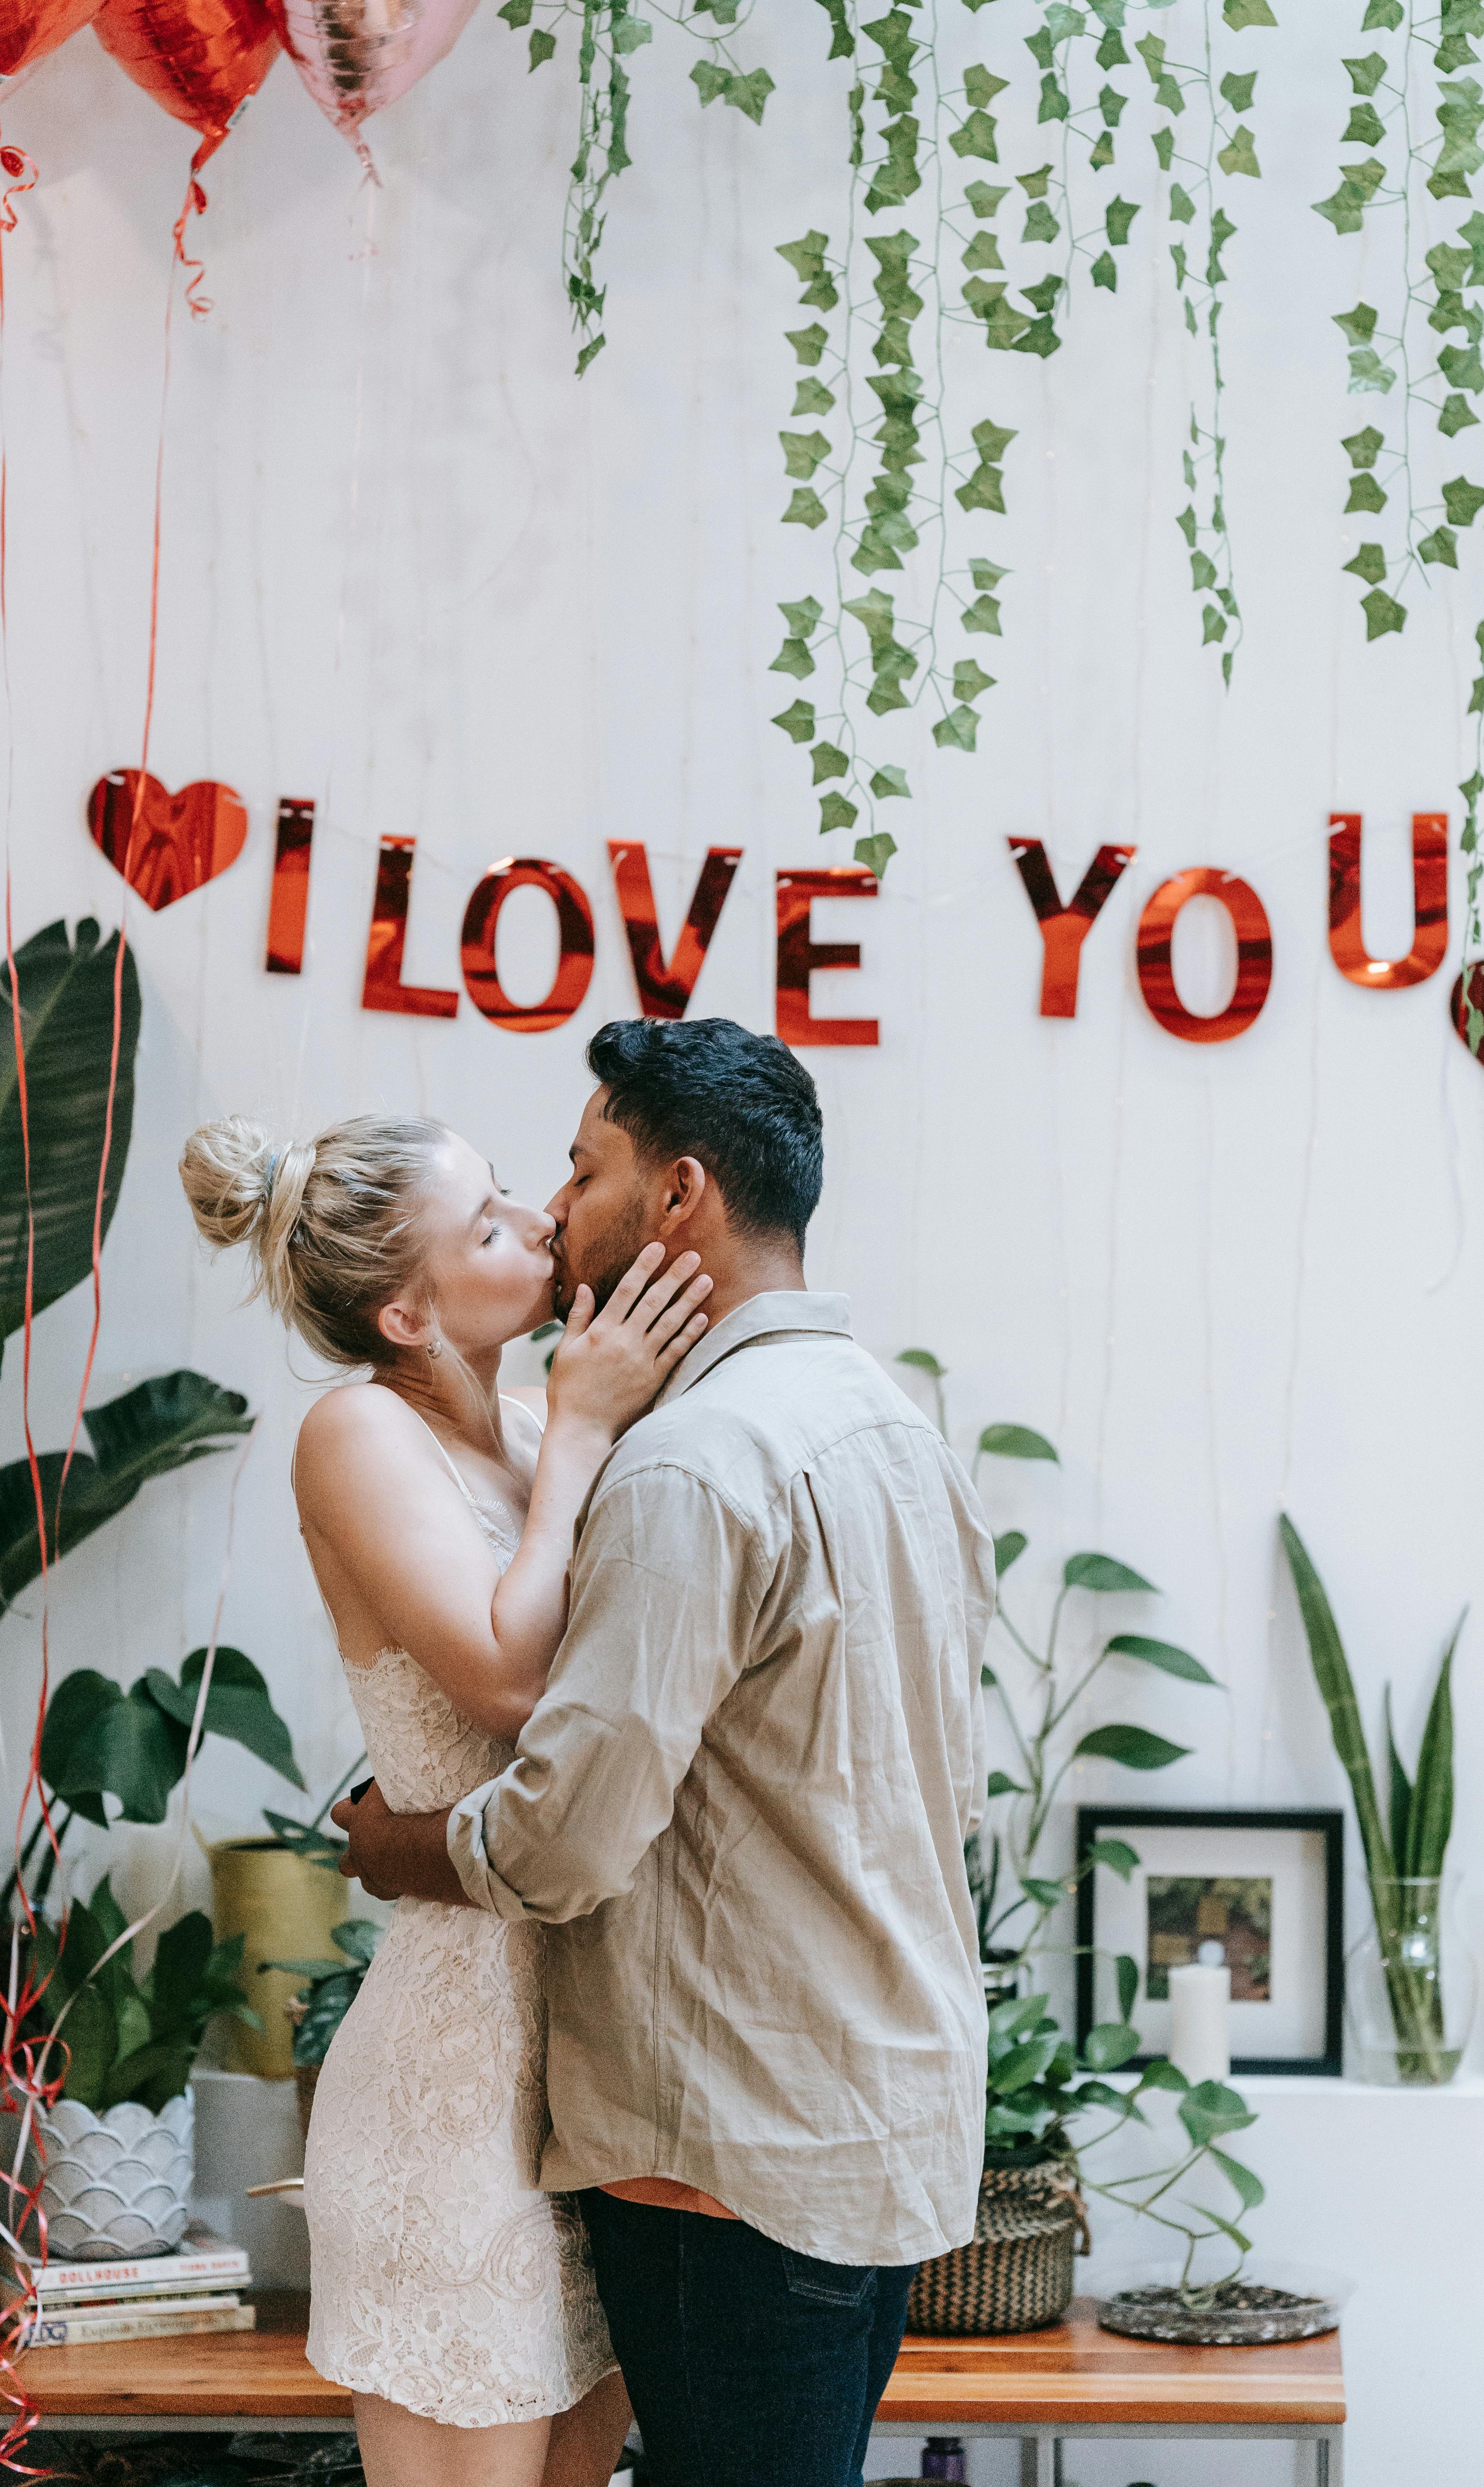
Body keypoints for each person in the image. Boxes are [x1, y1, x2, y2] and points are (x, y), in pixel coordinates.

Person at [332, 1018, 995, 2487]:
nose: (559, 1214)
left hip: (727, 2162)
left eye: (582, 1171)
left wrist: (390, 1845)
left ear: (679, 1197)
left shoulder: (693, 1464)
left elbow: (566, 1837)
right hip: (877, 2130)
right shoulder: (896, 1429)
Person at [181, 1109, 716, 2487]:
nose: (537, 1221)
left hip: (586, 2088)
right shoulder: (357, 1431)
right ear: (408, 1312)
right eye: (487, 1225)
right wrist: (589, 1428)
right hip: (452, 2088)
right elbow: (508, 1684)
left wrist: (585, 1419)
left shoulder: (546, 1423)